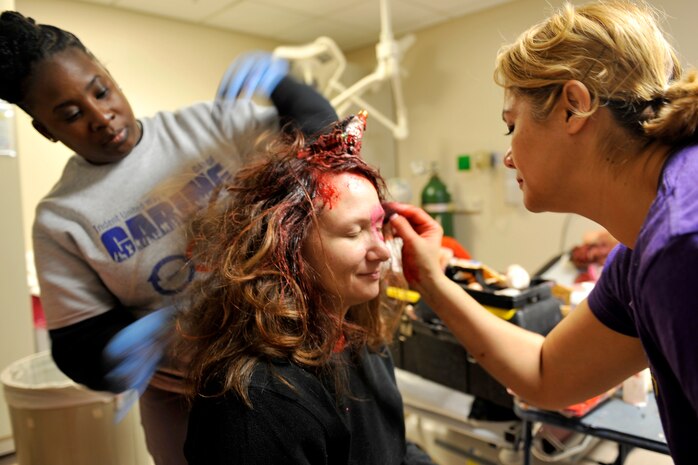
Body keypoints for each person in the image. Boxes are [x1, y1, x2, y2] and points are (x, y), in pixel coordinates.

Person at [0, 10, 336, 465]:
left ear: (110, 77)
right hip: (185, 393)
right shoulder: (63, 220)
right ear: (46, 130)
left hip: (295, 353)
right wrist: (116, 349)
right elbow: (76, 346)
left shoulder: (210, 127)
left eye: (100, 90)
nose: (101, 116)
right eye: (72, 114)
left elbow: (325, 145)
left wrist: (286, 87)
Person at [386, 1, 698, 463]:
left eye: (512, 126)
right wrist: (429, 281)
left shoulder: (681, 246)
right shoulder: (640, 252)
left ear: (574, 106)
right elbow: (547, 373)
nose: (508, 156)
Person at [178, 112, 435, 465]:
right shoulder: (258, 404)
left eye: (378, 226)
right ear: (288, 246)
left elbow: (392, 449)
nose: (381, 251)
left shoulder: (362, 342)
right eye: (353, 232)